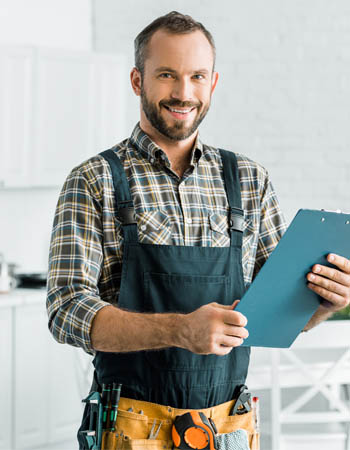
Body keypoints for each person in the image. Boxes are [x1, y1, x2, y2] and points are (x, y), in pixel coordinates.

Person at [46, 11, 350, 449]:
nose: (183, 93)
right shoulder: (94, 179)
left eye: (197, 76)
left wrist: (324, 304)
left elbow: (276, 313)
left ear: (213, 82)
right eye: (167, 74)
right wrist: (178, 330)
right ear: (137, 80)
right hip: (129, 428)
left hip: (228, 427)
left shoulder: (249, 179)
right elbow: (65, 310)